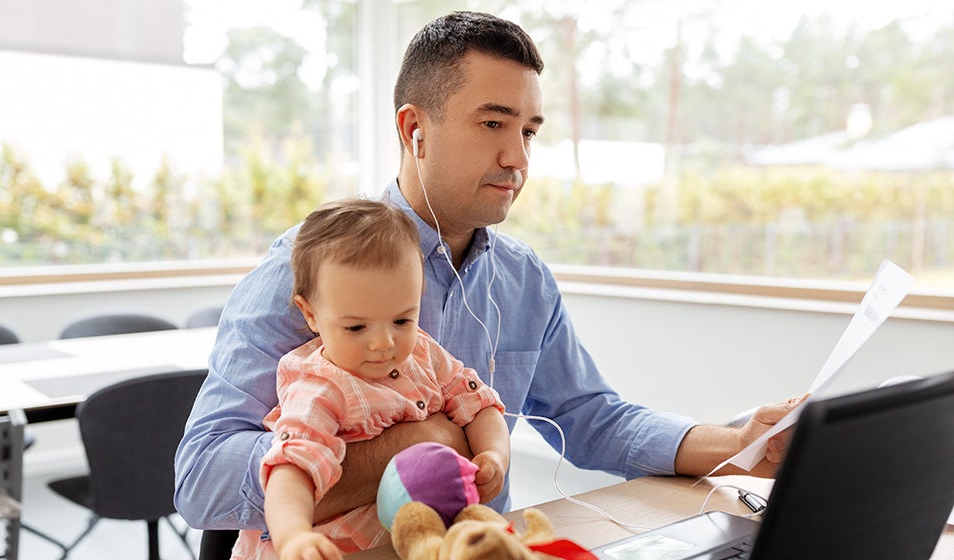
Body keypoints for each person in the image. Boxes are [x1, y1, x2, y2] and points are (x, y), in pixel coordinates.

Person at [175, 9, 799, 539]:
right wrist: (422, 443)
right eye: (495, 124)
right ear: (414, 129)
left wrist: (740, 444)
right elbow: (201, 480)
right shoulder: (306, 271)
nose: (518, 158)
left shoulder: (523, 281)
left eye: (529, 131)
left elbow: (593, 419)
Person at [229, 199, 508, 560]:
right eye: (357, 327)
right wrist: (294, 536)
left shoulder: (424, 353)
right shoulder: (321, 389)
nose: (383, 343)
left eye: (402, 320)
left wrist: (495, 455)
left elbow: (480, 405)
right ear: (311, 314)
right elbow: (289, 471)